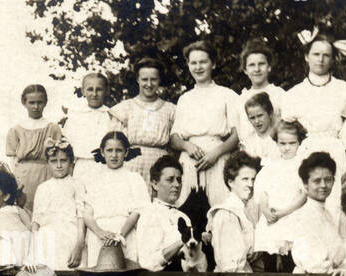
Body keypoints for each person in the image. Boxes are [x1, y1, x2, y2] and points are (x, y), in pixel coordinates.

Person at [281, 31, 346, 230]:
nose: (321, 59)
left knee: (335, 205)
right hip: (305, 152)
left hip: (336, 152)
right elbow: (285, 131)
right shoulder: (294, 94)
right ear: (307, 56)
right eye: (316, 54)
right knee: (304, 206)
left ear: (333, 59)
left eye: (326, 55)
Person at [170, 40, 242, 211]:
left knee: (221, 208)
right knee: (187, 211)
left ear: (213, 63)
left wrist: (216, 153)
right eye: (193, 62)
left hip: (218, 159)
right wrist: (186, 145)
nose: (198, 67)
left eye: (203, 62)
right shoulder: (185, 98)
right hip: (190, 162)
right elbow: (174, 138)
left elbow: (237, 135)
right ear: (188, 65)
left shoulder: (227, 95)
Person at [80, 131, 150, 276]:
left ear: (126, 152)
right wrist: (100, 232)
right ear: (102, 152)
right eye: (109, 150)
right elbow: (87, 213)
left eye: (118, 150)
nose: (114, 155)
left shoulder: (134, 178)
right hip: (99, 236)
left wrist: (120, 234)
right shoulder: (93, 179)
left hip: (124, 234)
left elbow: (137, 210)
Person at [200, 150, 273, 276]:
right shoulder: (227, 213)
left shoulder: (247, 211)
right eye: (245, 179)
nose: (251, 184)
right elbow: (230, 266)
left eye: (254, 179)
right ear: (231, 182)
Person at [251, 118, 308, 276]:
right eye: (282, 143)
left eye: (292, 143)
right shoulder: (271, 166)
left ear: (299, 142)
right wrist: (266, 211)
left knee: (288, 259)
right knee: (269, 258)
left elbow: (303, 195)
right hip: (271, 218)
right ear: (276, 143)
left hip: (292, 215)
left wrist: (284, 212)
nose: (286, 148)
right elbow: (262, 193)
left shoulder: (302, 167)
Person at [136, 154, 206, 276]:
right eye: (170, 180)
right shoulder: (150, 214)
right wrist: (180, 243)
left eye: (179, 180)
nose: (176, 184)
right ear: (154, 184)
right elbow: (149, 263)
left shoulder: (184, 217)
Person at [282, 151, 346, 276]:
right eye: (317, 181)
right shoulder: (304, 216)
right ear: (305, 185)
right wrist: (343, 275)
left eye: (328, 180)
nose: (323, 185)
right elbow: (314, 264)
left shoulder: (327, 214)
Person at [30, 141, 84, 276]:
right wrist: (34, 245)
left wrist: (79, 244)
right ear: (48, 163)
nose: (59, 165)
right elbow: (36, 219)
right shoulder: (43, 187)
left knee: (68, 273)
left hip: (69, 235)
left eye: (63, 160)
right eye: (54, 161)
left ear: (71, 162)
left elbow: (81, 215)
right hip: (47, 237)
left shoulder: (77, 184)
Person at [110, 58, 176, 185]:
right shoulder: (124, 108)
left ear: (159, 80)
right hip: (131, 164)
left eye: (154, 79)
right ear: (138, 80)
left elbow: (174, 143)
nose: (149, 84)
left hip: (161, 165)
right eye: (145, 79)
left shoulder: (171, 110)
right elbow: (113, 143)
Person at [6, 84, 63, 206]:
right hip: (23, 177)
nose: (36, 107)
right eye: (31, 103)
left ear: (45, 102)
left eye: (39, 102)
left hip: (46, 174)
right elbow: (12, 159)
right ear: (24, 102)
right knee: (24, 210)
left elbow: (60, 157)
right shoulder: (16, 129)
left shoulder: (52, 128)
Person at [60, 72, 121, 176]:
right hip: (81, 166)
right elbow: (67, 144)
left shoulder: (112, 117)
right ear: (83, 91)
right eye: (90, 89)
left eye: (99, 89)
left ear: (106, 91)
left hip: (106, 167)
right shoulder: (76, 116)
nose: (94, 94)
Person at [236, 39, 286, 150]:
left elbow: (285, 128)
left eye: (261, 64)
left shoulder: (280, 94)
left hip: (274, 152)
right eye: (252, 65)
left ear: (269, 67)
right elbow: (240, 133)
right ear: (245, 70)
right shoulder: (241, 99)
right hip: (249, 153)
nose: (257, 69)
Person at [240, 92, 279, 162]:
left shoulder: (280, 138)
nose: (257, 121)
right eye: (252, 118)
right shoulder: (248, 143)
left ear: (270, 113)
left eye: (260, 115)